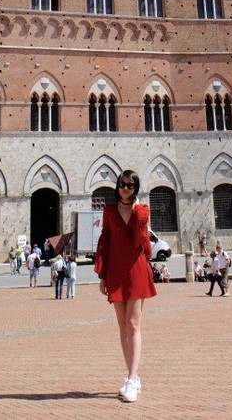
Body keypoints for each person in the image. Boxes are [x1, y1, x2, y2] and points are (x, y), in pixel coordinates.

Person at [95, 169, 156, 404]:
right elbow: (105, 242)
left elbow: (142, 239)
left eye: (131, 185)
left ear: (136, 188)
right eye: (122, 184)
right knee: (122, 327)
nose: (126, 188)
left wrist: (138, 209)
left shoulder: (142, 211)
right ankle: (133, 375)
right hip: (116, 272)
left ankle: (132, 378)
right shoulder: (110, 211)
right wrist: (102, 275)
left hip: (136, 269)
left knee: (133, 324)